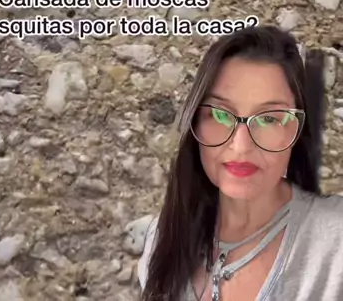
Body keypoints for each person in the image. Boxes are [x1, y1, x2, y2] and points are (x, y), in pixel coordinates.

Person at [138, 25, 343, 300]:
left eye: (268, 118)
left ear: (296, 131)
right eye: (221, 115)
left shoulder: (335, 242)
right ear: (194, 121)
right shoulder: (163, 238)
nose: (241, 146)